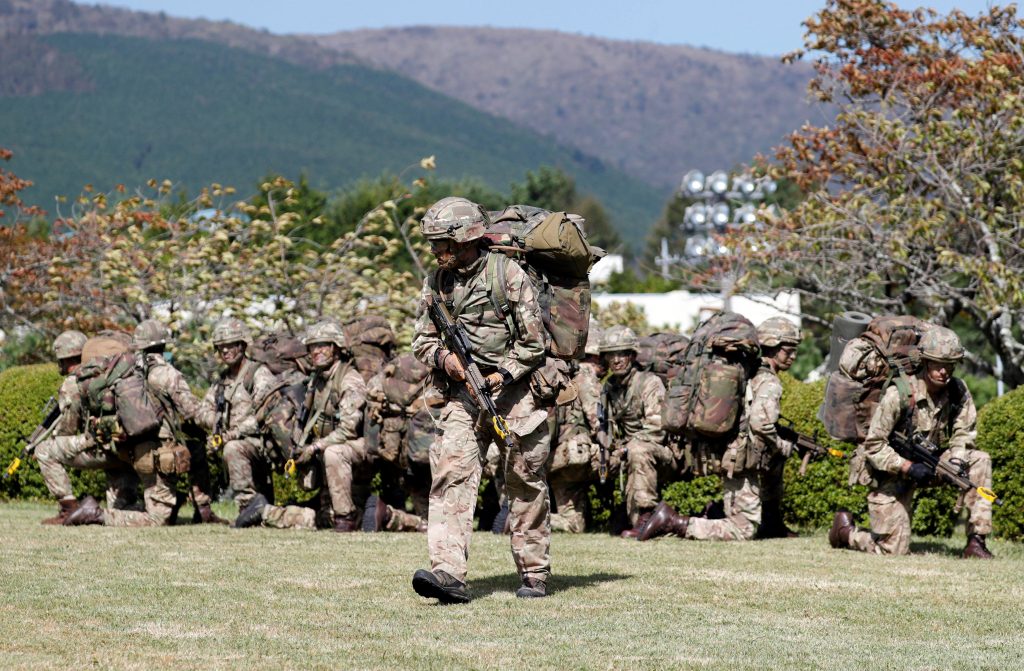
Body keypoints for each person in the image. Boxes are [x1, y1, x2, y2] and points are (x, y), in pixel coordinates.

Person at [410, 196, 551, 603]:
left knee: (524, 481)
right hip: (462, 394)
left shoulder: (507, 275)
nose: (435, 251)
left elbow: (533, 344)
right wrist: (446, 360)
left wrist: (499, 375)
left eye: (441, 242)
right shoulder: (438, 282)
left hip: (516, 390)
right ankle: (448, 573)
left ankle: (534, 573)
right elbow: (421, 340)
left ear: (465, 238)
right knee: (451, 473)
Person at [828, 326, 994, 558]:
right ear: (925, 362)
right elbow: (874, 445)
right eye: (937, 364)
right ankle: (846, 533)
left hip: (934, 463)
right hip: (893, 470)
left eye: (949, 365)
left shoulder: (958, 390)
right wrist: (906, 467)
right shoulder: (900, 394)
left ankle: (976, 542)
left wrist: (955, 462)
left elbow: (964, 433)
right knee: (893, 550)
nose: (944, 371)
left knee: (980, 460)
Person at [639, 316, 802, 543]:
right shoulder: (768, 380)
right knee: (742, 530)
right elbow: (761, 424)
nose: (793, 356)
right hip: (742, 458)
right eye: (787, 350)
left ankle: (770, 523)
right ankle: (673, 521)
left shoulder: (745, 370)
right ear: (772, 347)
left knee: (746, 512)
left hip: (731, 452)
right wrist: (782, 445)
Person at [66, 320, 226, 526]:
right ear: (163, 345)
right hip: (157, 452)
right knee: (157, 519)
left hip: (128, 447)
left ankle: (203, 510)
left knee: (196, 449)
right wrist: (221, 421)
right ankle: (96, 514)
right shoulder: (166, 373)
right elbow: (193, 411)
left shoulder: (127, 371)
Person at [233, 321, 369, 532]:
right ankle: (266, 511)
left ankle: (347, 519)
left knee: (333, 453)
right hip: (330, 455)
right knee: (323, 519)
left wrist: (314, 448)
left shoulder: (349, 380)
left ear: (336, 348)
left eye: (323, 345)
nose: (317, 351)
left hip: (355, 451)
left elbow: (349, 430)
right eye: (313, 347)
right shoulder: (317, 381)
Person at [34, 330, 140, 524]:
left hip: (100, 446)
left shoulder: (75, 382)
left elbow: (67, 428)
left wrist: (58, 440)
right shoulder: (120, 375)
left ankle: (68, 510)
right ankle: (127, 505)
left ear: (65, 359)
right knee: (119, 509)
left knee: (44, 450)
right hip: (130, 446)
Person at [195, 318, 277, 516]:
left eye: (230, 345)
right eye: (221, 347)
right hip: (232, 441)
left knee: (233, 448)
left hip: (260, 443)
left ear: (242, 345)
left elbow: (265, 415)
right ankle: (202, 508)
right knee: (193, 450)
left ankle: (247, 508)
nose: (225, 351)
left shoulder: (258, 374)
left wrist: (232, 434)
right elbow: (201, 412)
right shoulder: (222, 381)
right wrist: (217, 423)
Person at [599, 325, 673, 539]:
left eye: (621, 354)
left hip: (661, 450)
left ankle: (646, 516)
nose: (616, 360)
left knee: (638, 451)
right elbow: (608, 425)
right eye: (611, 355)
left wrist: (626, 448)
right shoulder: (610, 387)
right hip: (628, 448)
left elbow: (657, 429)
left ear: (632, 355)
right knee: (597, 457)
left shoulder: (649, 383)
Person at [547, 325, 603, 533]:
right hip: (572, 459)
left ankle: (521, 517)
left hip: (551, 456)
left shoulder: (553, 371)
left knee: (574, 524)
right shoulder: (585, 376)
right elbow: (597, 421)